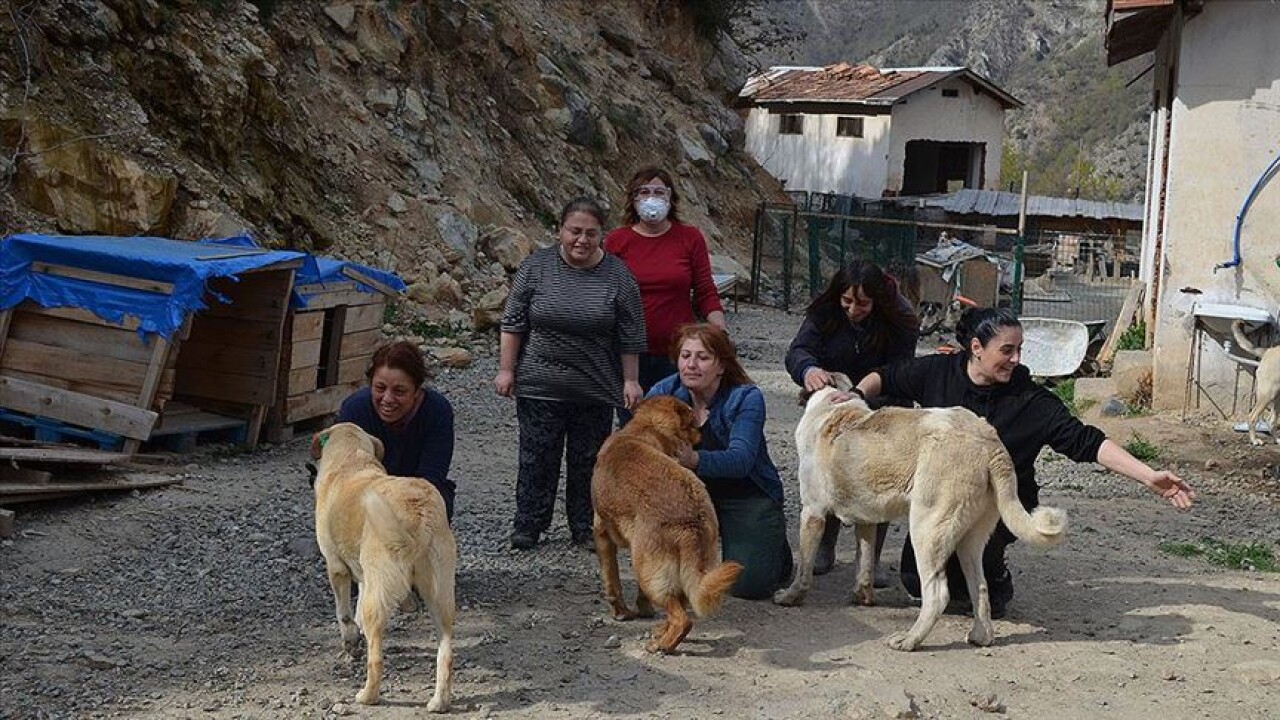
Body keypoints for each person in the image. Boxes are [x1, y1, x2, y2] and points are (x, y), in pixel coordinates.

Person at [847, 307, 1195, 618]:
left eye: (1019, 350)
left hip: (999, 501)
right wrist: (855, 397)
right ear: (976, 349)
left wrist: (1148, 476)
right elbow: (886, 377)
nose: (1015, 359)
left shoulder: (1030, 400)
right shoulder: (938, 373)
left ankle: (994, 569)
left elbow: (1086, 441)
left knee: (987, 591)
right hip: (943, 497)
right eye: (1006, 350)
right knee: (914, 579)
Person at [494, 197, 647, 551]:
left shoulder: (618, 276)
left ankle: (585, 525)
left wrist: (630, 379)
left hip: (593, 386)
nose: (581, 240)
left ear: (602, 236)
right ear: (560, 230)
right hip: (539, 381)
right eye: (574, 231)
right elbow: (513, 322)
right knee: (535, 456)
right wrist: (506, 369)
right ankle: (528, 524)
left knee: (589, 460)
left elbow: (631, 332)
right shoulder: (535, 268)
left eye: (590, 233)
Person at [784, 260, 918, 582]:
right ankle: (826, 545)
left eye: (862, 303)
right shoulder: (826, 310)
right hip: (835, 397)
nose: (853, 310)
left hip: (881, 402)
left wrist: (863, 394)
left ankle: (868, 563)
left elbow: (900, 370)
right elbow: (799, 350)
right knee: (828, 468)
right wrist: (809, 370)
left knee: (878, 478)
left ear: (878, 302)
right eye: (847, 301)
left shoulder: (901, 320)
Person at [648, 323, 793, 600]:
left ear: (722, 366)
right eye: (685, 355)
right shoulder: (662, 394)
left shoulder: (746, 397)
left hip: (745, 493)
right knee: (671, 585)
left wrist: (694, 459)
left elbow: (741, 460)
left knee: (749, 587)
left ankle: (776, 552)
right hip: (687, 495)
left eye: (703, 357)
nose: (691, 365)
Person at [605, 167, 726, 407]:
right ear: (634, 199)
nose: (652, 198)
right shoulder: (617, 240)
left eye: (659, 192)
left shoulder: (690, 238)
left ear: (670, 198)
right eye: (644, 192)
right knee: (635, 425)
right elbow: (606, 295)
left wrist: (720, 332)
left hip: (678, 352)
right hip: (629, 353)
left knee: (677, 421)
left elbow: (705, 291)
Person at [336, 340, 456, 521]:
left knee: (440, 502)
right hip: (365, 495)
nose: (387, 399)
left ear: (416, 391)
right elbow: (344, 472)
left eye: (399, 391)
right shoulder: (354, 410)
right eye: (380, 388)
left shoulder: (437, 411)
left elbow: (432, 476)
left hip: (415, 494)